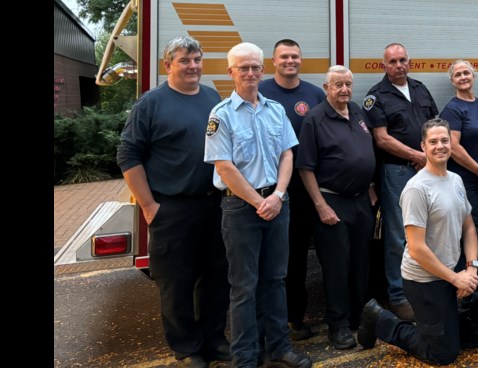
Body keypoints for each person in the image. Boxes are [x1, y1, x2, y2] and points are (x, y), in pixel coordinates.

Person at [357, 118, 478, 365]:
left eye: (445, 140)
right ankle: (381, 320)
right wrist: (456, 279)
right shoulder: (416, 189)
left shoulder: (455, 180)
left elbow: (469, 227)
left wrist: (472, 268)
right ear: (423, 147)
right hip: (426, 278)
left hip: (454, 267)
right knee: (442, 354)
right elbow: (417, 248)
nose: (440, 146)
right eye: (433, 142)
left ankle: (473, 331)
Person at [116, 37, 230, 368]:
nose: (193, 66)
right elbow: (128, 155)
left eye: (197, 59)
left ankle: (214, 340)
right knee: (176, 283)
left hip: (212, 204)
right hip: (172, 209)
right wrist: (149, 206)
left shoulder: (211, 97)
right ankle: (187, 348)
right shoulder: (151, 103)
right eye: (184, 60)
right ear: (168, 65)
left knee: (216, 278)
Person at [203, 43, 312, 368]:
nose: (250, 73)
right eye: (243, 68)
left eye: (255, 67)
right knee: (243, 287)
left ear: (262, 70)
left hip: (277, 204)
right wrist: (259, 202)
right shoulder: (220, 115)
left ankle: (279, 348)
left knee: (276, 280)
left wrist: (277, 196)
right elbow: (224, 167)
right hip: (240, 209)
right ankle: (245, 358)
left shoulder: (275, 110)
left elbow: (287, 155)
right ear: (231, 73)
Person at [296, 66, 378, 349]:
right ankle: (338, 325)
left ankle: (357, 318)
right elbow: (305, 167)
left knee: (360, 263)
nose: (344, 90)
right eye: (338, 85)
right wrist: (320, 204)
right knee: (336, 266)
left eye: (348, 84)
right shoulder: (315, 119)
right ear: (326, 87)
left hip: (360, 201)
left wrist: (368, 186)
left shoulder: (356, 111)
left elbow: (363, 151)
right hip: (332, 201)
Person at [363, 43, 439, 321]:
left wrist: (430, 157)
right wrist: (418, 155)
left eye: (402, 60)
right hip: (396, 172)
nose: (398, 65)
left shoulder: (420, 88)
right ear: (384, 66)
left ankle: (425, 286)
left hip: (427, 170)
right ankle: (398, 295)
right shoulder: (376, 96)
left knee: (428, 229)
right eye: (392, 61)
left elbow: (435, 125)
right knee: (399, 235)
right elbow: (380, 138)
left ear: (410, 62)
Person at [257, 39, 325, 341]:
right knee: (268, 258)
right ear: (273, 61)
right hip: (268, 189)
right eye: (284, 56)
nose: (290, 61)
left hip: (304, 188)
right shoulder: (261, 92)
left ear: (301, 59)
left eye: (295, 56)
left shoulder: (314, 94)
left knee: (297, 255)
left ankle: (295, 318)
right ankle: (267, 321)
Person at [439, 59, 478, 255]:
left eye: (466, 73)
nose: (463, 77)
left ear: (473, 76)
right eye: (458, 75)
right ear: (452, 81)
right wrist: (477, 169)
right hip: (466, 180)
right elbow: (453, 146)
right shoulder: (452, 109)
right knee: (476, 225)